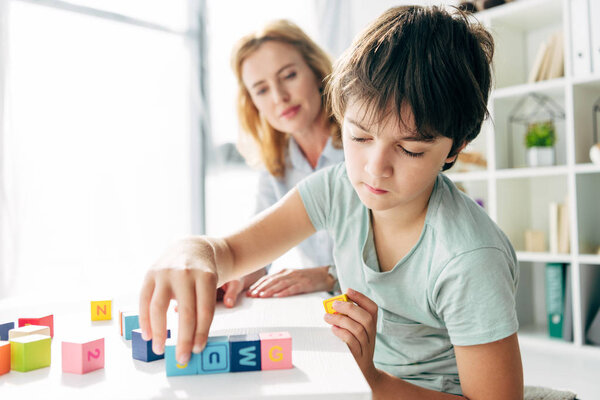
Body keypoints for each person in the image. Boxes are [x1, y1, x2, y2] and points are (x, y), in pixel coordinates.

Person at [140, 6, 523, 399]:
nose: (375, 169)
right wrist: (192, 250)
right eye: (359, 137)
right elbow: (231, 251)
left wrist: (371, 380)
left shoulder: (469, 258)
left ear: (454, 147)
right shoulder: (337, 187)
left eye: (409, 149)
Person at [218, 19, 344, 308]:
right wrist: (237, 277)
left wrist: (329, 275)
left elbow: (400, 249)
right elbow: (259, 248)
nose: (279, 97)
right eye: (261, 90)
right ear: (252, 102)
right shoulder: (276, 164)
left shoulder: (363, 143)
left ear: (316, 70)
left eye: (288, 75)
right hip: (332, 312)